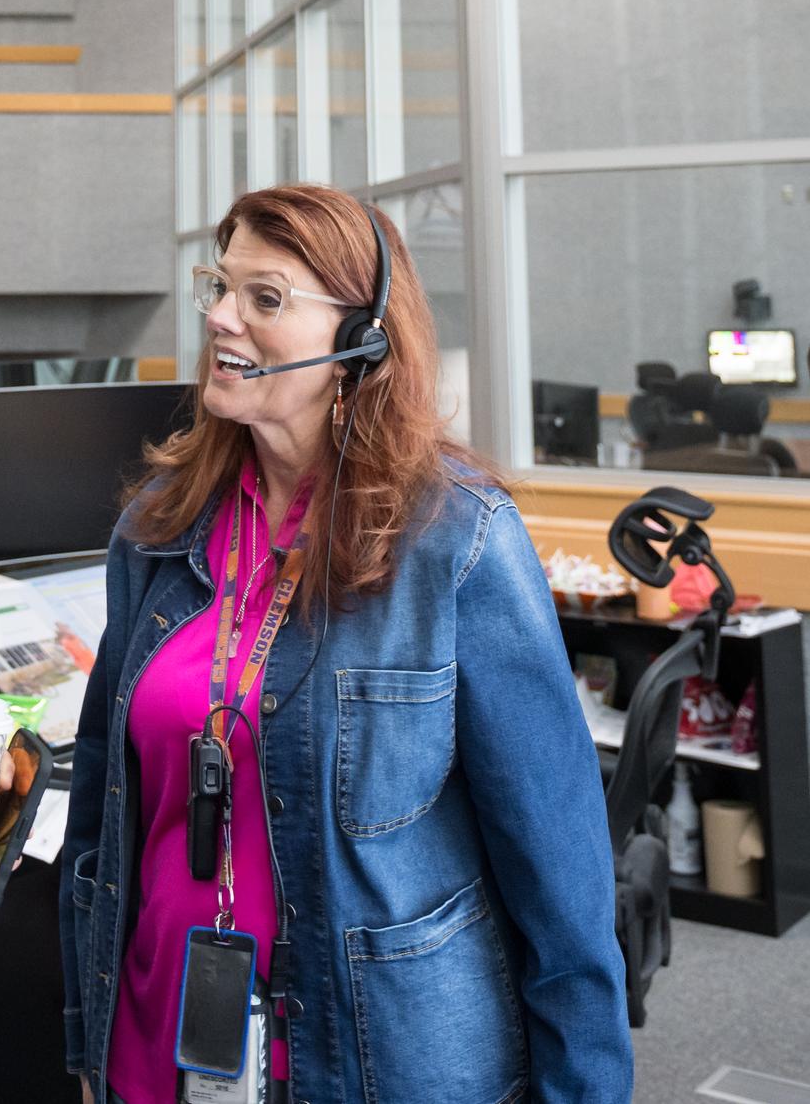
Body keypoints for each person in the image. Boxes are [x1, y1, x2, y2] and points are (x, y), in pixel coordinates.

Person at [59, 186, 629, 1104]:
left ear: (359, 341)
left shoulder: (455, 539)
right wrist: (87, 1047)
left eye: (264, 297)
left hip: (375, 1057)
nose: (217, 315)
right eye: (218, 285)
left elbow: (559, 875)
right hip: (156, 1034)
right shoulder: (154, 533)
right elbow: (100, 810)